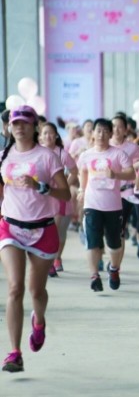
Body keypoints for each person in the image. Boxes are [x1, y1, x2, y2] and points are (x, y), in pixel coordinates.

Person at [0, 106, 71, 372]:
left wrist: (40, 186)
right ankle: (14, 353)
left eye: (25, 123)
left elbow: (65, 195)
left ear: (34, 127)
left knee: (36, 291)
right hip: (11, 228)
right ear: (9, 127)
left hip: (42, 230)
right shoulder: (3, 157)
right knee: (15, 288)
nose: (19, 127)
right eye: (14, 123)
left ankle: (38, 321)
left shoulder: (47, 157)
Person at [77, 119, 135, 292]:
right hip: (92, 203)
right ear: (92, 133)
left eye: (105, 131)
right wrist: (81, 189)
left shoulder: (118, 154)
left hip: (113, 206)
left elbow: (131, 173)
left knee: (114, 244)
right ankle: (94, 276)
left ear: (110, 134)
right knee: (93, 242)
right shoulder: (86, 155)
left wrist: (116, 174)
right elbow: (83, 171)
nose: (101, 135)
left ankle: (114, 269)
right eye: (98, 131)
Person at [110, 114, 139, 274]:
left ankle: (116, 266)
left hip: (125, 193)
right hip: (105, 193)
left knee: (120, 229)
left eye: (120, 126)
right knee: (107, 230)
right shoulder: (105, 146)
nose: (116, 130)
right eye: (113, 126)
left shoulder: (131, 147)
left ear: (126, 130)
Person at [39, 122, 78, 277]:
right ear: (40, 136)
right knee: (48, 230)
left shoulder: (62, 153)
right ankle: (50, 262)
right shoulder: (37, 153)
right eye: (45, 133)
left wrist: (64, 187)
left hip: (60, 198)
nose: (48, 136)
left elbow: (74, 172)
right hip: (42, 198)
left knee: (58, 231)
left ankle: (57, 257)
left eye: (51, 133)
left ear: (56, 135)